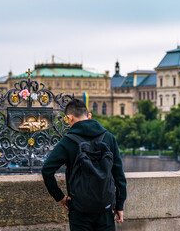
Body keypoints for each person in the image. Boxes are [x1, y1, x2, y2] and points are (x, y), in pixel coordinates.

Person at [42, 99, 127, 231]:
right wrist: (120, 205)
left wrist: (60, 197)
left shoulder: (68, 141)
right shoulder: (109, 138)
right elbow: (119, 175)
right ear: (89, 116)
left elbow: (47, 170)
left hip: (79, 209)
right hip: (105, 207)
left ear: (69, 118)